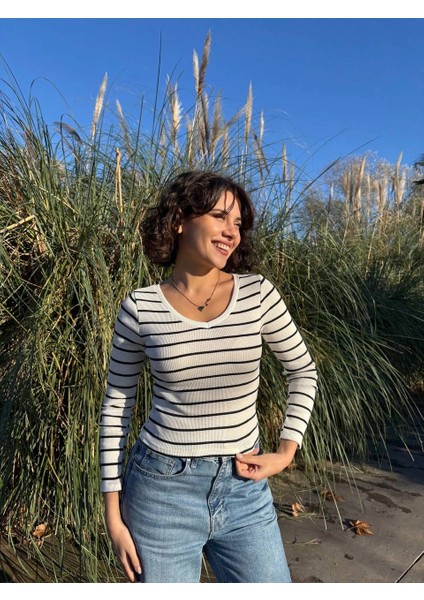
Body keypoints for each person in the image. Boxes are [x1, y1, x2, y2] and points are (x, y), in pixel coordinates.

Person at [100, 170, 318, 583]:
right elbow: (116, 407)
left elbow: (303, 370)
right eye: (220, 216)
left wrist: (286, 451)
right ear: (180, 220)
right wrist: (113, 514)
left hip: (243, 488)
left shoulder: (257, 294)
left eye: (238, 223)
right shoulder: (140, 308)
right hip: (161, 492)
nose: (232, 232)